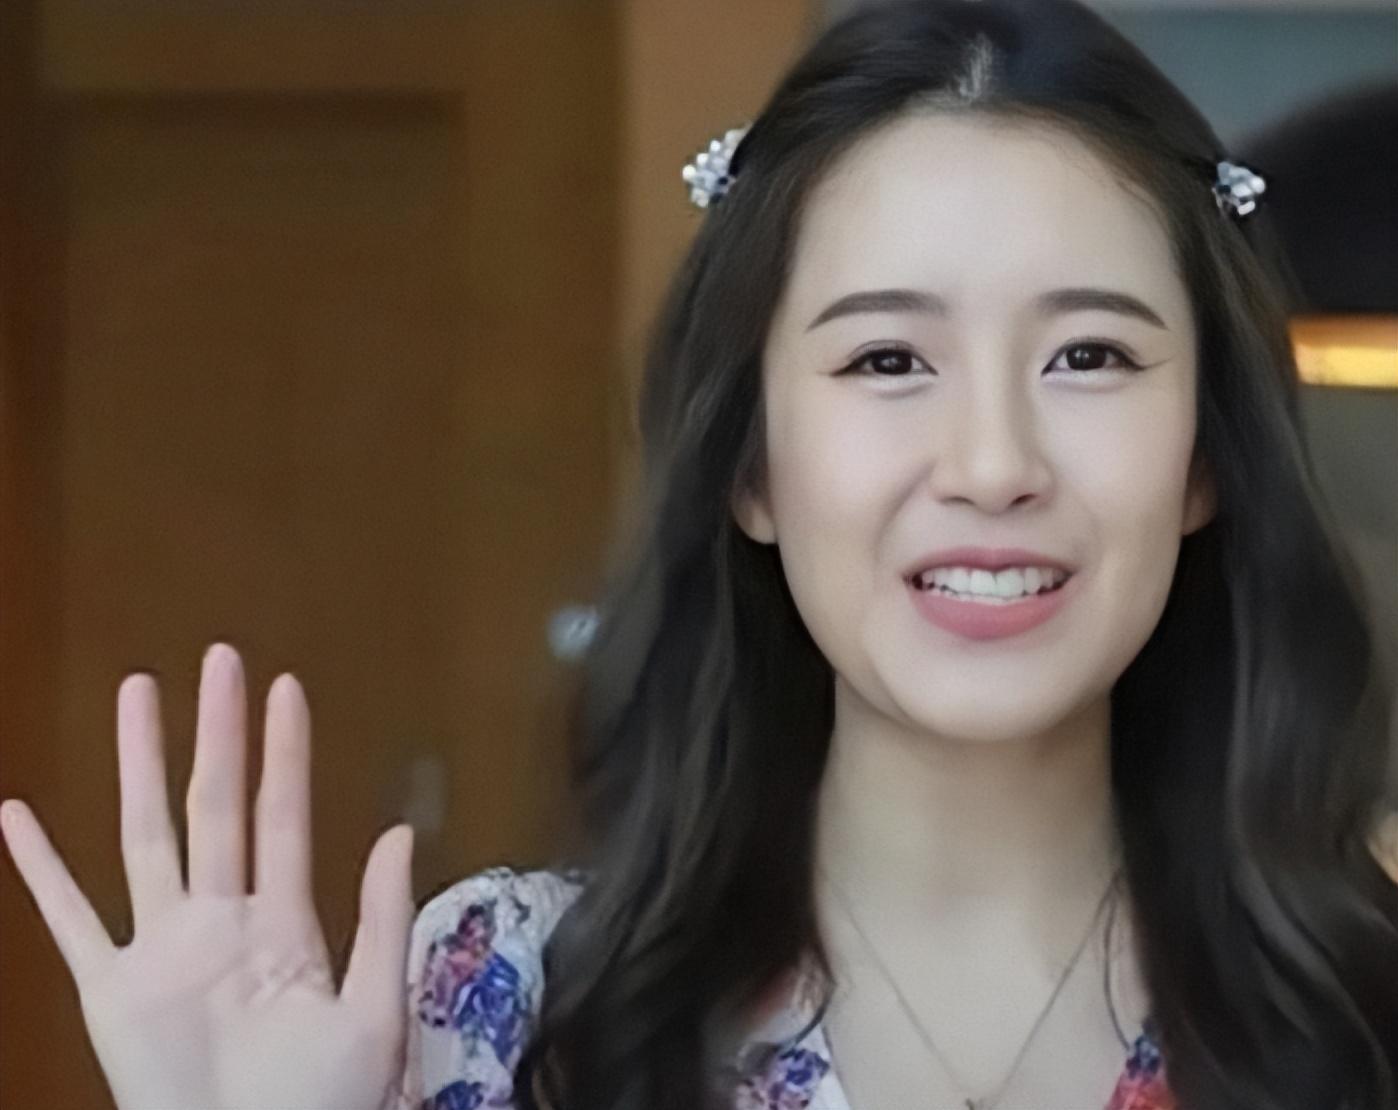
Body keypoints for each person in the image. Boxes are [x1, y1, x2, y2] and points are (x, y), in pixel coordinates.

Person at [2, 1, 1395, 1108]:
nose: (991, 463)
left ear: (1205, 456)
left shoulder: (1366, 1017)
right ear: (751, 466)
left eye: (1087, 356)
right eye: (887, 358)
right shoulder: (504, 1009)